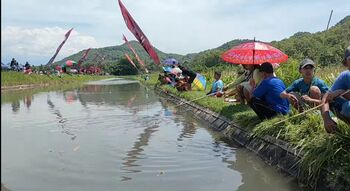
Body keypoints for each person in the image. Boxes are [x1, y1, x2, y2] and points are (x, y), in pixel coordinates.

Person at [321, 46, 350, 133]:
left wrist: (341, 92)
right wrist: (326, 119)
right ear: (346, 63)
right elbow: (326, 98)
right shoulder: (345, 76)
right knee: (335, 101)